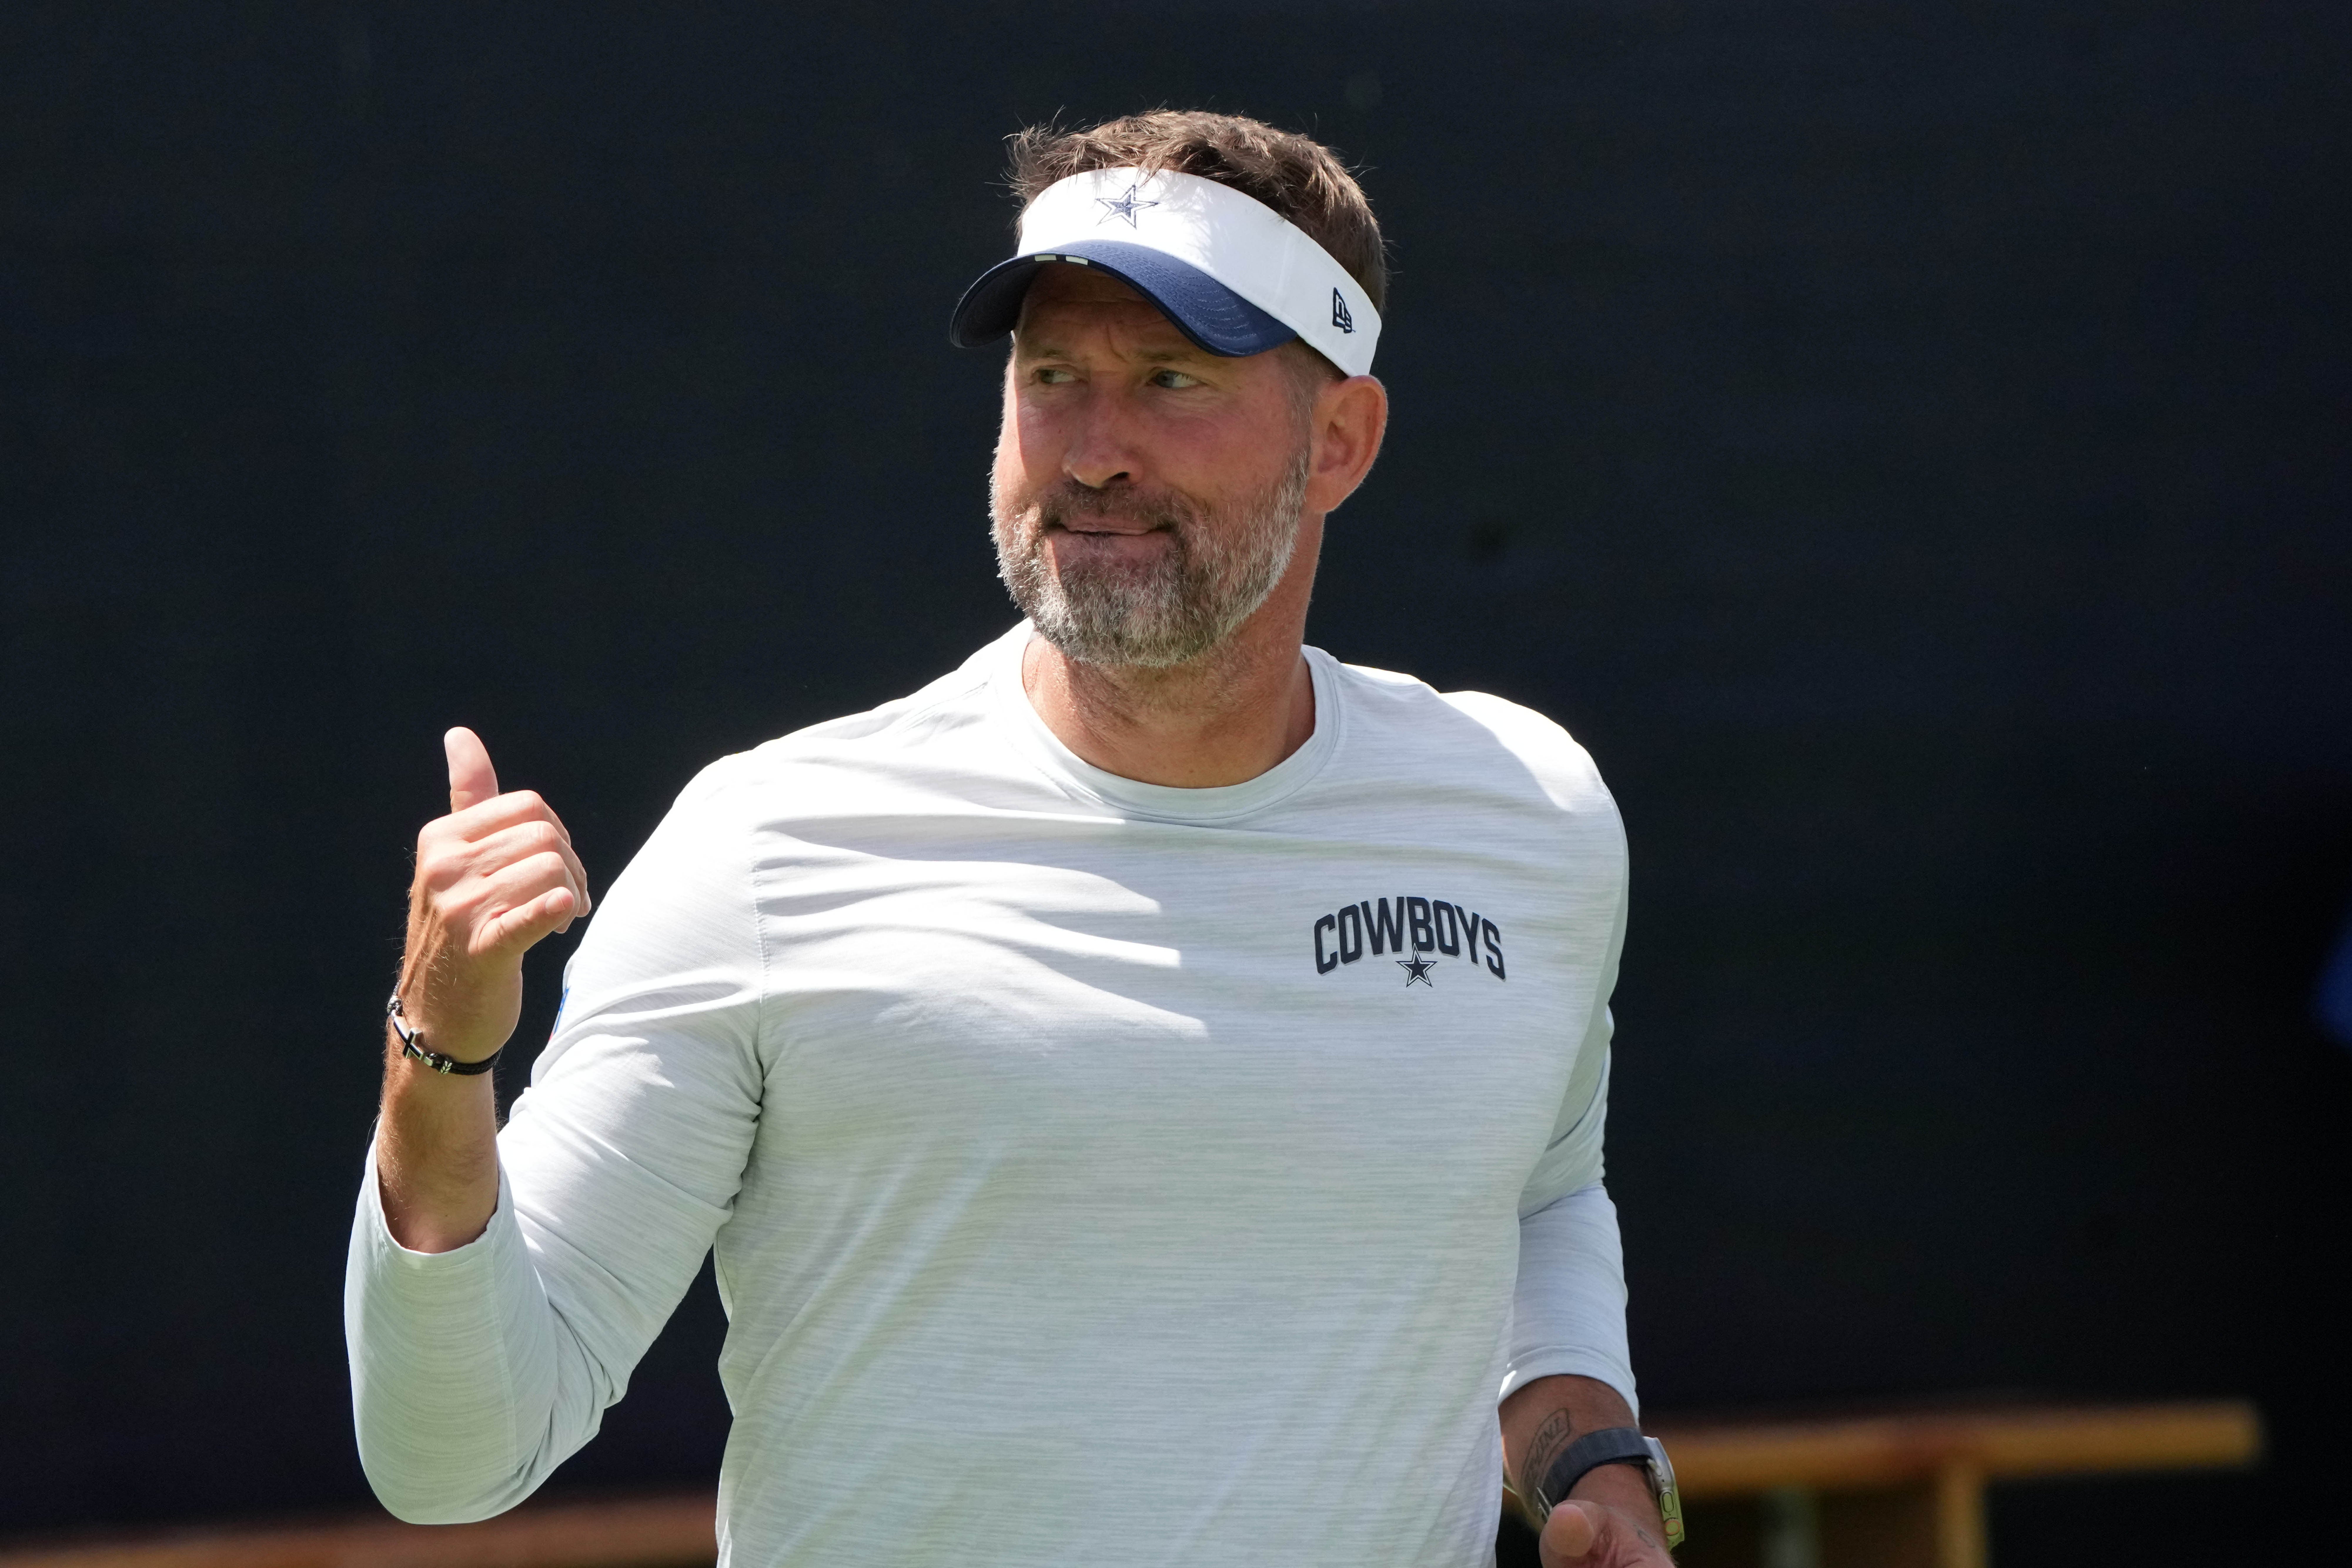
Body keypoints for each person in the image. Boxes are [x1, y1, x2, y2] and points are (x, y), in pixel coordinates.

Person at [346, 110, 1679, 1568]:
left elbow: (1538, 1187)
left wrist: (1586, 1448)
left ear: (1341, 439)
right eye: (1053, 379)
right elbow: (453, 1458)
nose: (1094, 453)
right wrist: (441, 1055)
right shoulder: (767, 846)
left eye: (1172, 380)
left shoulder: (1528, 816)